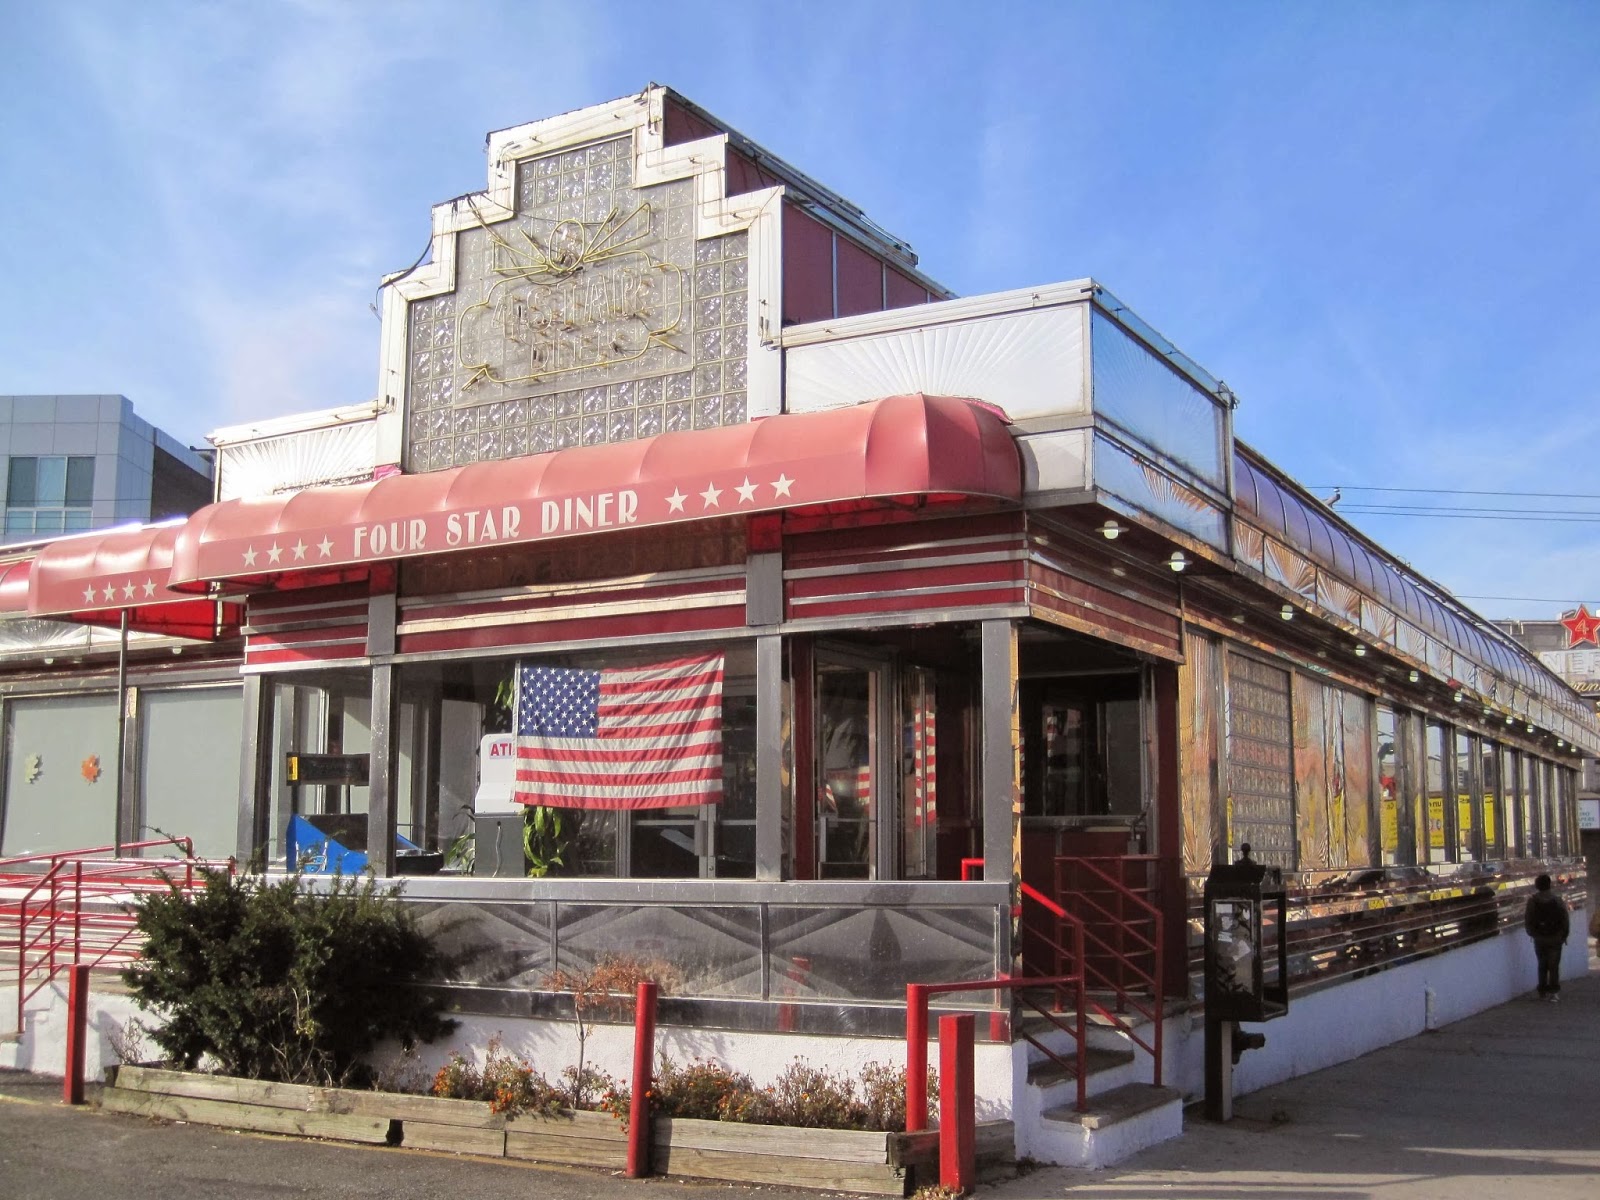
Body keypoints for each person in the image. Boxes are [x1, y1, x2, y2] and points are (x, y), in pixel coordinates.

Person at [1523, 874, 1570, 1002]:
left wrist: (1532, 933)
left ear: (1537, 885)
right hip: (1555, 937)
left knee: (1542, 964)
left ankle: (1542, 991)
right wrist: (1564, 935)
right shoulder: (1557, 900)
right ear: (1550, 884)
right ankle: (1553, 992)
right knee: (1554, 966)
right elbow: (1565, 919)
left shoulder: (1532, 901)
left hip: (1540, 938)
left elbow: (1528, 919)